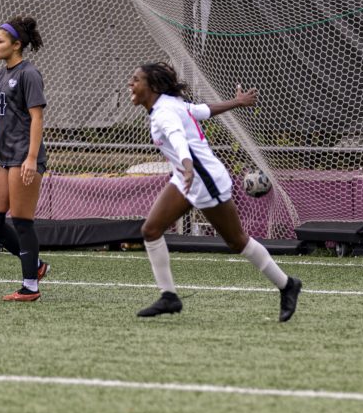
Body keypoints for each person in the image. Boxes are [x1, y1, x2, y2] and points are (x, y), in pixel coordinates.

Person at [127, 62, 302, 321]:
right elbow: (202, 110)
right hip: (185, 178)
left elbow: (178, 139)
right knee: (150, 231)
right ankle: (169, 297)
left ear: (151, 86)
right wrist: (237, 102)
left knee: (237, 241)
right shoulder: (169, 104)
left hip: (205, 180)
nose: (130, 84)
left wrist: (186, 166)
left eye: (135, 79)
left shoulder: (165, 113)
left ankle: (287, 285)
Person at [0, 17, 50, 302]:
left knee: (22, 220)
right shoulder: (1, 75)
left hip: (23, 157)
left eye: (0, 41)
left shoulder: (29, 74)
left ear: (17, 45)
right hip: (2, 156)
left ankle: (30, 285)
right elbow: (6, 114)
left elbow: (36, 118)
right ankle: (37, 265)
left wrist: (32, 158)